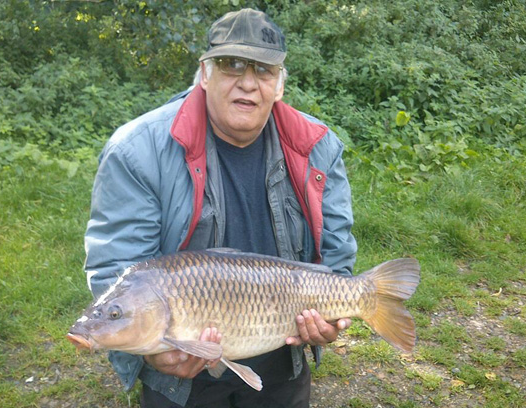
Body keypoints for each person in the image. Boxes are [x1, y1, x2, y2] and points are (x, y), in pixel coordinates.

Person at [84, 8, 357, 408]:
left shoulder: (317, 146)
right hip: (180, 367)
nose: (247, 83)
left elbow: (336, 260)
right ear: (205, 74)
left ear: (279, 85)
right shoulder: (137, 151)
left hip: (281, 346)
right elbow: (119, 271)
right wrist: (154, 352)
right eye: (231, 66)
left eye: (263, 71)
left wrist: (335, 316)